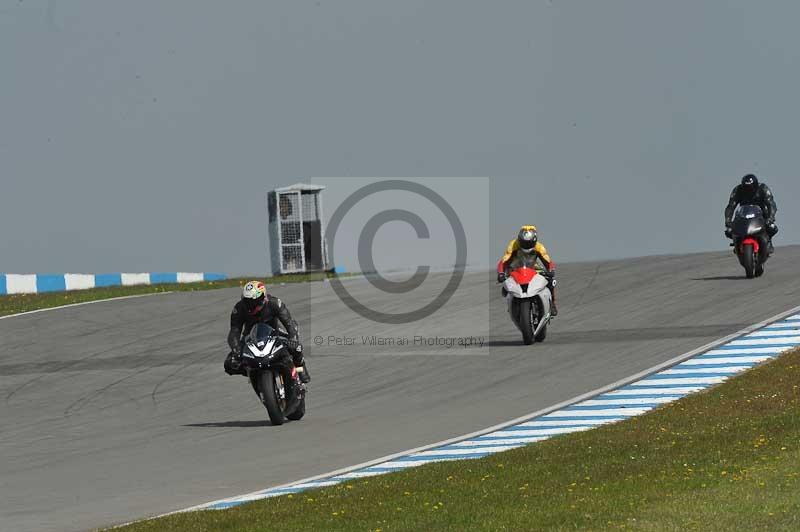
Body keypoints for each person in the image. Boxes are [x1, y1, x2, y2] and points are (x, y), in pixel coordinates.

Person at [224, 281, 310, 383]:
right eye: (247, 301)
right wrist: (236, 350)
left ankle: (300, 367)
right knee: (229, 364)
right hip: (250, 339)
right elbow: (234, 331)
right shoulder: (239, 308)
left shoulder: (274, 303)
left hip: (275, 334)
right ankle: (252, 373)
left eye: (254, 301)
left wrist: (293, 339)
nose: (250, 305)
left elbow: (290, 324)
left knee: (296, 347)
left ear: (263, 297)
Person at [496, 225, 558, 317]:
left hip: (533, 268)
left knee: (550, 281)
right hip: (515, 268)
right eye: (524, 243)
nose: (526, 246)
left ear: (534, 240)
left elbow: (548, 261)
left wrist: (551, 270)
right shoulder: (513, 245)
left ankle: (552, 304)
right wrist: (501, 273)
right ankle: (513, 304)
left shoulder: (539, 247)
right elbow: (504, 260)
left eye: (528, 243)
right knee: (505, 286)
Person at [724, 174, 778, 254]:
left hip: (761, 215)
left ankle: (768, 241)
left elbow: (771, 204)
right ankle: (737, 243)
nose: (748, 190)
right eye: (746, 188)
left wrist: (771, 218)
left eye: (751, 188)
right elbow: (731, 206)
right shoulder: (737, 190)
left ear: (756, 186)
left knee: (772, 228)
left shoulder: (763, 188)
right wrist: (728, 220)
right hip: (743, 215)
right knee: (729, 231)